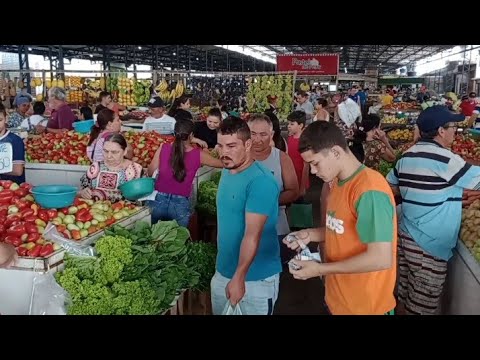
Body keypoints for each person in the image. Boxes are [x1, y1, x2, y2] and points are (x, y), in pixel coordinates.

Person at [284, 121, 397, 315]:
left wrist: (320, 269)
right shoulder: (337, 184)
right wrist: (310, 234)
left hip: (365, 307)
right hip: (339, 300)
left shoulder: (369, 189)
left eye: (315, 163)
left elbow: (380, 258)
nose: (312, 171)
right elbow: (342, 228)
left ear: (336, 152)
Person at [386, 106, 478, 315]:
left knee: (405, 295)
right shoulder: (445, 159)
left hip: (407, 236)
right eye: (454, 126)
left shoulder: (407, 155)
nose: (456, 131)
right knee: (422, 307)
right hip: (429, 245)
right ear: (441, 131)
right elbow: (477, 181)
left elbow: (390, 185)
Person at [211, 116, 281, 315]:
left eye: (232, 146)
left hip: (254, 279)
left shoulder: (261, 182)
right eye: (220, 146)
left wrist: (239, 278)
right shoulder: (228, 170)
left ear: (248, 144)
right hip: (223, 271)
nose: (224, 153)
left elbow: (253, 235)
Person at [146, 119, 222, 226]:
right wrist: (220, 149)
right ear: (191, 135)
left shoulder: (163, 148)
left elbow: (150, 172)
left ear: (174, 133)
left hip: (157, 200)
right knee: (178, 240)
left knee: (154, 238)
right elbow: (223, 164)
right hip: (180, 203)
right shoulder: (198, 154)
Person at [247, 114, 299, 265]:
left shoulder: (281, 158)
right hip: (244, 229)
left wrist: (268, 202)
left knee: (273, 271)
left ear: (271, 135)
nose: (257, 139)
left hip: (276, 227)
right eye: (253, 134)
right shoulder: (240, 157)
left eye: (263, 134)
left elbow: (293, 191)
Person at [79, 133, 142, 203]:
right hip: (94, 211)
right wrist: (83, 192)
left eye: (114, 152)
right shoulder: (95, 167)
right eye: (105, 151)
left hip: (126, 212)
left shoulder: (136, 170)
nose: (109, 156)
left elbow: (142, 199)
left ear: (125, 151)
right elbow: (82, 189)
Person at [0, 104, 25, 184]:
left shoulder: (15, 141)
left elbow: (18, 170)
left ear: (6, 119)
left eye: (0, 120)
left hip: (10, 190)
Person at [287, 111, 310, 197]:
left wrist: (302, 187)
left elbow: (306, 166)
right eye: (288, 123)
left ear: (300, 125)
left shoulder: (304, 142)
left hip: (300, 179)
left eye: (292, 124)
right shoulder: (289, 138)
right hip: (291, 177)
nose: (288, 126)